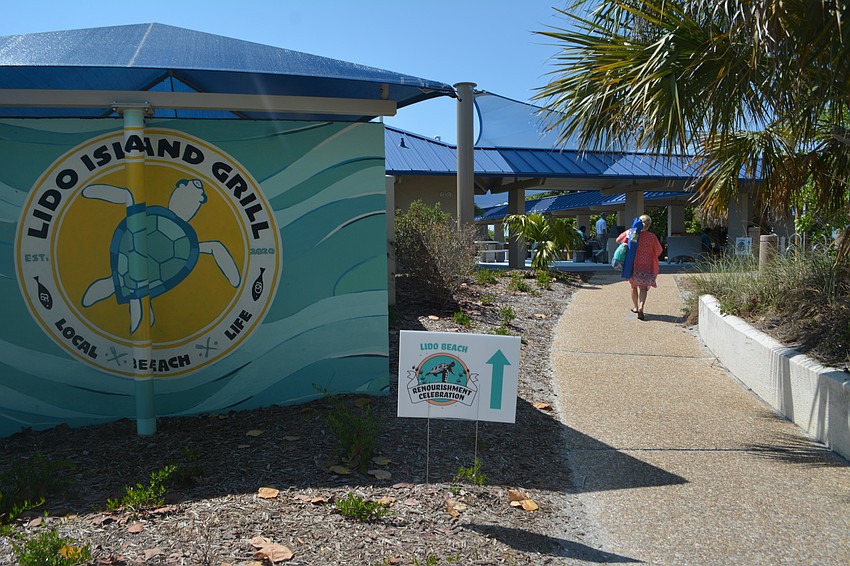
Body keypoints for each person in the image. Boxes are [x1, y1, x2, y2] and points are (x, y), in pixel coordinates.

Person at [616, 214, 663, 320]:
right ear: (649, 225)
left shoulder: (632, 233)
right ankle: (642, 306)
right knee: (643, 288)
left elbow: (618, 240)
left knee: (633, 287)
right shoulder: (652, 237)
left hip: (633, 264)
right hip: (646, 265)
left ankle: (636, 307)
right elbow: (659, 251)